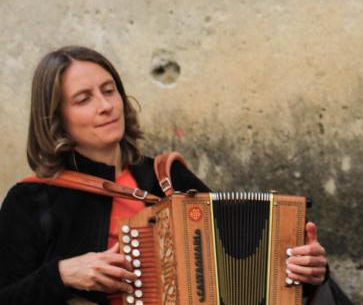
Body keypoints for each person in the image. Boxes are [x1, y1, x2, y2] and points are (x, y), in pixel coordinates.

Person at [0, 45, 340, 305]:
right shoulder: (31, 201)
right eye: (83, 99)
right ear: (56, 119)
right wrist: (61, 275)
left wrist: (307, 273)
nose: (106, 105)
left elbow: (242, 272)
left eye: (109, 90)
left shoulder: (168, 178)